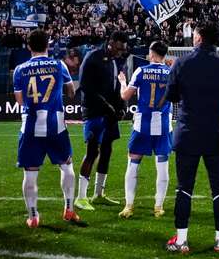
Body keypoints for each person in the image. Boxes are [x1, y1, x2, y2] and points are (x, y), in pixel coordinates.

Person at [164, 22, 219, 253]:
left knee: (184, 187)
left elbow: (171, 95)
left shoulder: (182, 63)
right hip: (215, 134)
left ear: (198, 38)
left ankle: (181, 240)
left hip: (188, 134)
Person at [13, 29, 83, 228]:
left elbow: (20, 100)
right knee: (67, 166)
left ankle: (33, 216)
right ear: (48, 45)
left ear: (29, 46)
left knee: (30, 173)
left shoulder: (20, 69)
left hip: (30, 127)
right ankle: (69, 209)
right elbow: (71, 92)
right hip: (55, 126)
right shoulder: (59, 65)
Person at [117, 41, 172, 219]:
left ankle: (129, 206)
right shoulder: (171, 72)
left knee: (133, 162)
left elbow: (125, 96)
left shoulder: (141, 71)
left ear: (152, 53)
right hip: (164, 126)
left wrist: (122, 82)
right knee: (162, 165)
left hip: (143, 125)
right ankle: (158, 207)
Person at [75, 31, 129, 210]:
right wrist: (107, 106)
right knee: (92, 151)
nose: (120, 52)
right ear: (110, 42)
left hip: (109, 113)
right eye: (119, 48)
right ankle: (81, 197)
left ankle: (98, 194)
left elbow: (116, 87)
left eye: (123, 50)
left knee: (107, 150)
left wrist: (121, 106)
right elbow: (85, 86)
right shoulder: (93, 57)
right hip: (94, 111)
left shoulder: (115, 60)